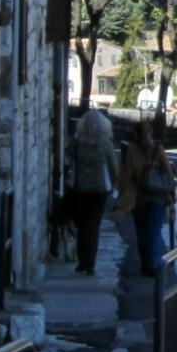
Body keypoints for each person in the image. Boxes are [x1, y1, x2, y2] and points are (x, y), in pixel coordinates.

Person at [116, 117, 175, 276]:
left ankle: (145, 264)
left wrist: (121, 195)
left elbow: (126, 175)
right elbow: (168, 174)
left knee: (142, 232)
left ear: (136, 135)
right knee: (154, 231)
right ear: (150, 133)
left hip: (139, 197)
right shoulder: (158, 150)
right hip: (157, 197)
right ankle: (152, 265)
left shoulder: (131, 151)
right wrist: (172, 200)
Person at [62, 106, 117, 274]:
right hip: (99, 190)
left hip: (80, 189)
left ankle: (82, 261)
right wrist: (116, 186)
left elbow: (67, 152)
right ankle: (90, 263)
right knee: (93, 227)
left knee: (82, 226)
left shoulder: (78, 141)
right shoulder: (105, 142)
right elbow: (113, 166)